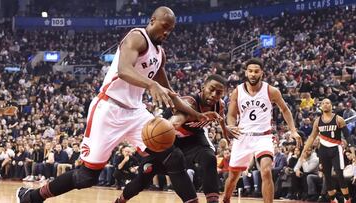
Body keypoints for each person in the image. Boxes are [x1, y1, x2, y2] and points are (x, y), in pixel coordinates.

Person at [17, 6, 217, 203]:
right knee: (86, 177)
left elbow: (172, 95)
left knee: (173, 157)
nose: (166, 32)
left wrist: (197, 115)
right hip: (109, 108)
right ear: (152, 21)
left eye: (170, 30)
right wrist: (151, 84)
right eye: (164, 26)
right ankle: (32, 197)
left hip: (136, 112)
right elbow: (123, 70)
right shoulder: (137, 37)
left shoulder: (160, 54)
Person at [113, 74, 237, 203]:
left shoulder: (219, 104)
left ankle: (213, 201)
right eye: (211, 89)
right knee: (144, 176)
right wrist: (172, 125)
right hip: (167, 140)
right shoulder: (190, 102)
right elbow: (178, 118)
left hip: (192, 139)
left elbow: (219, 116)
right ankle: (121, 200)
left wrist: (225, 129)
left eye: (219, 92)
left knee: (209, 157)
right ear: (202, 87)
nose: (214, 94)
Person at [223, 58, 302, 203]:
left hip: (263, 136)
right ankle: (225, 199)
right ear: (246, 72)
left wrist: (293, 130)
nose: (253, 74)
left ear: (262, 73)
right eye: (250, 71)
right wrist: (231, 125)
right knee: (233, 176)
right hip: (243, 136)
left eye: (256, 71)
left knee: (266, 171)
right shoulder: (237, 91)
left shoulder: (271, 90)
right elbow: (231, 114)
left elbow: (285, 109)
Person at [300, 98, 355, 203]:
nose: (325, 105)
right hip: (323, 150)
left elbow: (348, 137)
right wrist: (304, 150)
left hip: (336, 149)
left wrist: (352, 152)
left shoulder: (339, 119)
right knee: (327, 176)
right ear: (321, 106)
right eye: (323, 103)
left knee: (339, 174)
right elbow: (312, 137)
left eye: (328, 103)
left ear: (331, 106)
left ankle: (347, 199)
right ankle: (333, 199)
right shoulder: (317, 121)